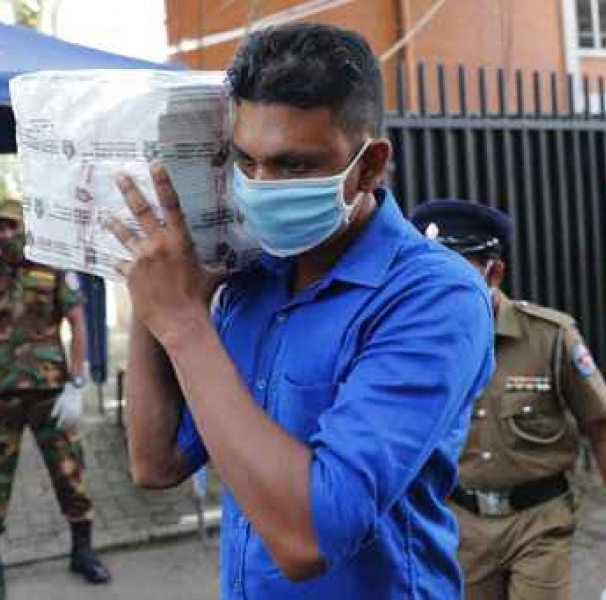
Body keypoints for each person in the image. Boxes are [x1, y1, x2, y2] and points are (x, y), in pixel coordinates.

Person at [107, 24, 494, 599]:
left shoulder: (434, 298)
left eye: (294, 166)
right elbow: (156, 462)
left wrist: (185, 324)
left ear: (369, 166)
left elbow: (308, 540)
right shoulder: (252, 280)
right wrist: (158, 283)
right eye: (247, 160)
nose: (261, 187)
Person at [410, 199, 606, 600]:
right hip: (461, 526)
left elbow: (602, 433)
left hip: (540, 521)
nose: (440, 287)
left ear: (494, 272)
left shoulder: (550, 336)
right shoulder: (416, 348)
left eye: (456, 271)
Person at [0, 198, 110, 600]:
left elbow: (79, 324)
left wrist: (76, 383)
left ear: (26, 226)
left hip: (51, 394)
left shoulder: (53, 268)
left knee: (70, 475)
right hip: (0, 397)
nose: (5, 234)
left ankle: (83, 552)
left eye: (11, 225)